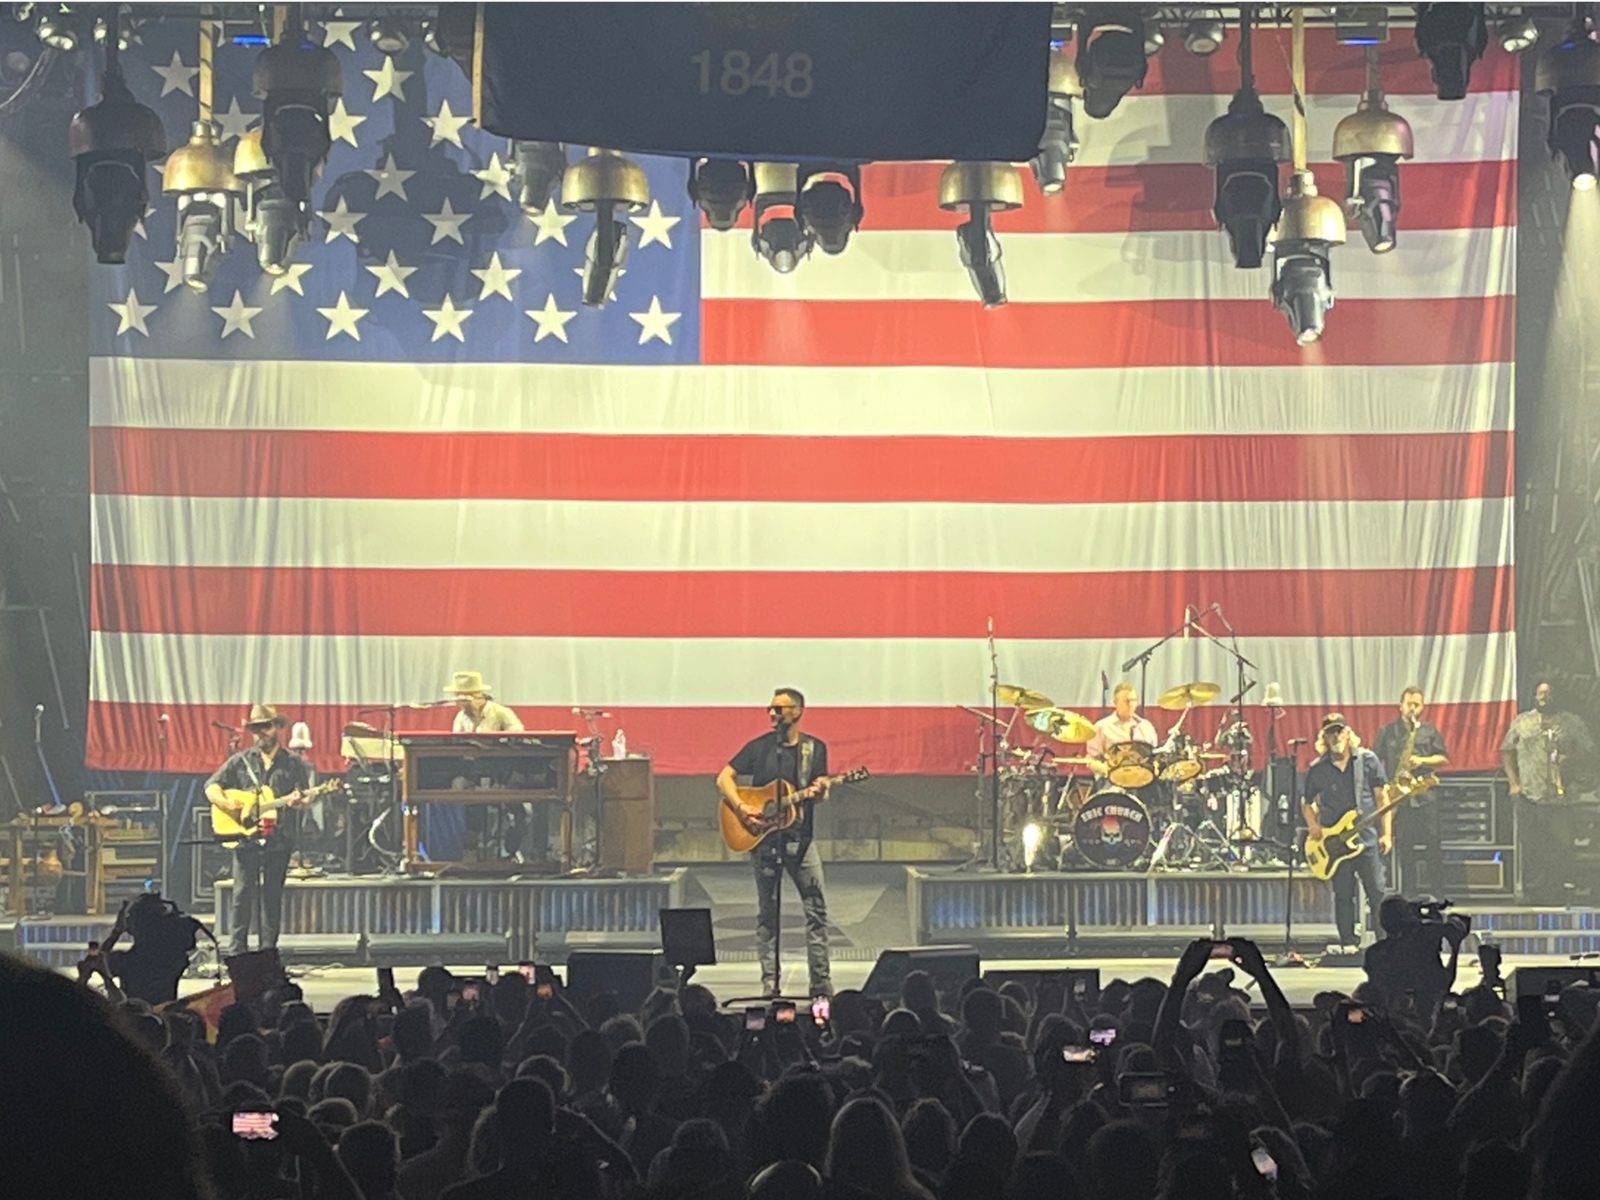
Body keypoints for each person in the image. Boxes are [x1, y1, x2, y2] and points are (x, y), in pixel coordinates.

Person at [716, 688, 834, 999]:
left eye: (778, 709)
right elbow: (724, 777)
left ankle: (820, 984)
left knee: (816, 911)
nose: (771, 714)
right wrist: (742, 807)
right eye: (769, 708)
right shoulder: (760, 748)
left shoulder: (814, 749)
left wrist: (820, 791)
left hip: (802, 841)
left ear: (797, 711)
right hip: (766, 843)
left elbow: (821, 791)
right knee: (768, 915)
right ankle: (770, 983)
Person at [206, 704, 311, 956]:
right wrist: (227, 803)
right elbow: (210, 787)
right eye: (255, 728)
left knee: (271, 897)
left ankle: (267, 953)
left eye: (265, 727)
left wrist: (300, 801)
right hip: (245, 839)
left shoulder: (293, 762)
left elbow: (305, 796)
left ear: (276, 728)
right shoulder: (241, 761)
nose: (260, 733)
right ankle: (237, 953)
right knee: (242, 895)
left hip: (279, 838)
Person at [1502, 679, 1597, 902]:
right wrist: (1514, 782)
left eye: (1549, 693)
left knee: (1561, 845)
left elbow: (1590, 753)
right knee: (1532, 845)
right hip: (1530, 794)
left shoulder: (1572, 723)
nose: (1545, 697)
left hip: (1561, 798)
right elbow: (1507, 751)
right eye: (1541, 693)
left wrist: (1570, 759)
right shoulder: (1522, 722)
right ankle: (1533, 891)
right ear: (1535, 696)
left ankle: (1559, 891)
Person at [1302, 713, 1390, 951]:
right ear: (1324, 737)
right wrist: (1313, 825)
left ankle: (1385, 943)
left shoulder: (1368, 760)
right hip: (1334, 844)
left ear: (1348, 733)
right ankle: (1348, 942)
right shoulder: (1318, 768)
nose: (1336, 736)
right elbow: (1307, 802)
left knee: (1377, 893)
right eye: (1331, 732)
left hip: (1367, 838)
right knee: (1343, 895)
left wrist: (1386, 833)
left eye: (1339, 731)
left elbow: (1382, 798)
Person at [444, 670, 536, 863]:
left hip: (505, 776)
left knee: (522, 815)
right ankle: (472, 857)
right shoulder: (460, 719)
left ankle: (508, 852)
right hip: (473, 777)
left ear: (478, 697)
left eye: (464, 700)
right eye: (458, 700)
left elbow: (519, 739)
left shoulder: (502, 713)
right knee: (471, 816)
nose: (460, 705)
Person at [1373, 688, 1450, 898]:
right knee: (1405, 845)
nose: (1413, 708)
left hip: (1425, 795)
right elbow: (1374, 761)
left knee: (1432, 842)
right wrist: (1385, 787)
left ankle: (1437, 891)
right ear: (1401, 707)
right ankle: (1409, 891)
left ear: (1422, 707)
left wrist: (1421, 760)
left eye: (1417, 704)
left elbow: (1443, 759)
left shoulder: (1429, 731)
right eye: (1409, 704)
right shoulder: (1388, 731)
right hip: (1400, 796)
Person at [1084, 682, 1159, 779]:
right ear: (1115, 702)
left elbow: (1155, 756)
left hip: (1142, 780)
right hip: (1110, 781)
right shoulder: (1101, 727)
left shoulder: (1146, 726)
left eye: (1133, 700)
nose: (1131, 704)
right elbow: (1092, 760)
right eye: (1126, 701)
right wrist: (1107, 770)